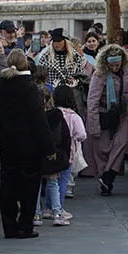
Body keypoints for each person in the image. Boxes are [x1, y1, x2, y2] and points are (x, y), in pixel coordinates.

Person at [0, 52, 47, 239]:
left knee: (8, 184)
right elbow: (38, 119)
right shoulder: (29, 88)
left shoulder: (0, 86)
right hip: (29, 144)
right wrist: (48, 146)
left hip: (7, 141)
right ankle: (25, 225)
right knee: (29, 187)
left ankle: (9, 226)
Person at [84, 43, 128, 195]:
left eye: (117, 65)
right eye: (112, 65)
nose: (115, 68)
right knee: (103, 150)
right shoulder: (99, 76)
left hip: (121, 115)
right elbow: (92, 101)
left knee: (122, 143)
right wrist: (94, 127)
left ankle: (109, 176)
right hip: (103, 116)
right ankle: (105, 177)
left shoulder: (127, 73)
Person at [42, 84, 85, 225]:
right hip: (68, 154)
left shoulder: (50, 113)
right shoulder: (74, 116)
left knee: (51, 181)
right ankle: (58, 209)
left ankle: (47, 208)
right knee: (62, 183)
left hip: (52, 152)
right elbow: (81, 134)